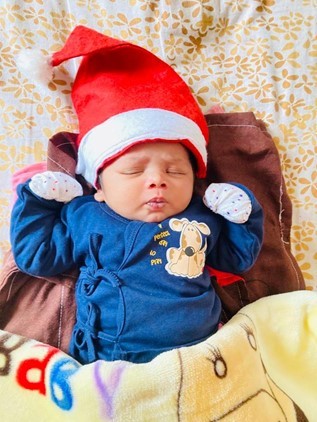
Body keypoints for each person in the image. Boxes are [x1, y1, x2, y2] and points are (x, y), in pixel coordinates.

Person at [10, 26, 263, 364]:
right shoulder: (87, 215)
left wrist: (240, 214)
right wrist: (38, 202)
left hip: (203, 353)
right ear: (99, 187)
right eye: (133, 171)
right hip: (110, 356)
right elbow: (36, 256)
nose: (158, 180)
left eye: (175, 171)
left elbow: (238, 258)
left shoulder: (201, 215)